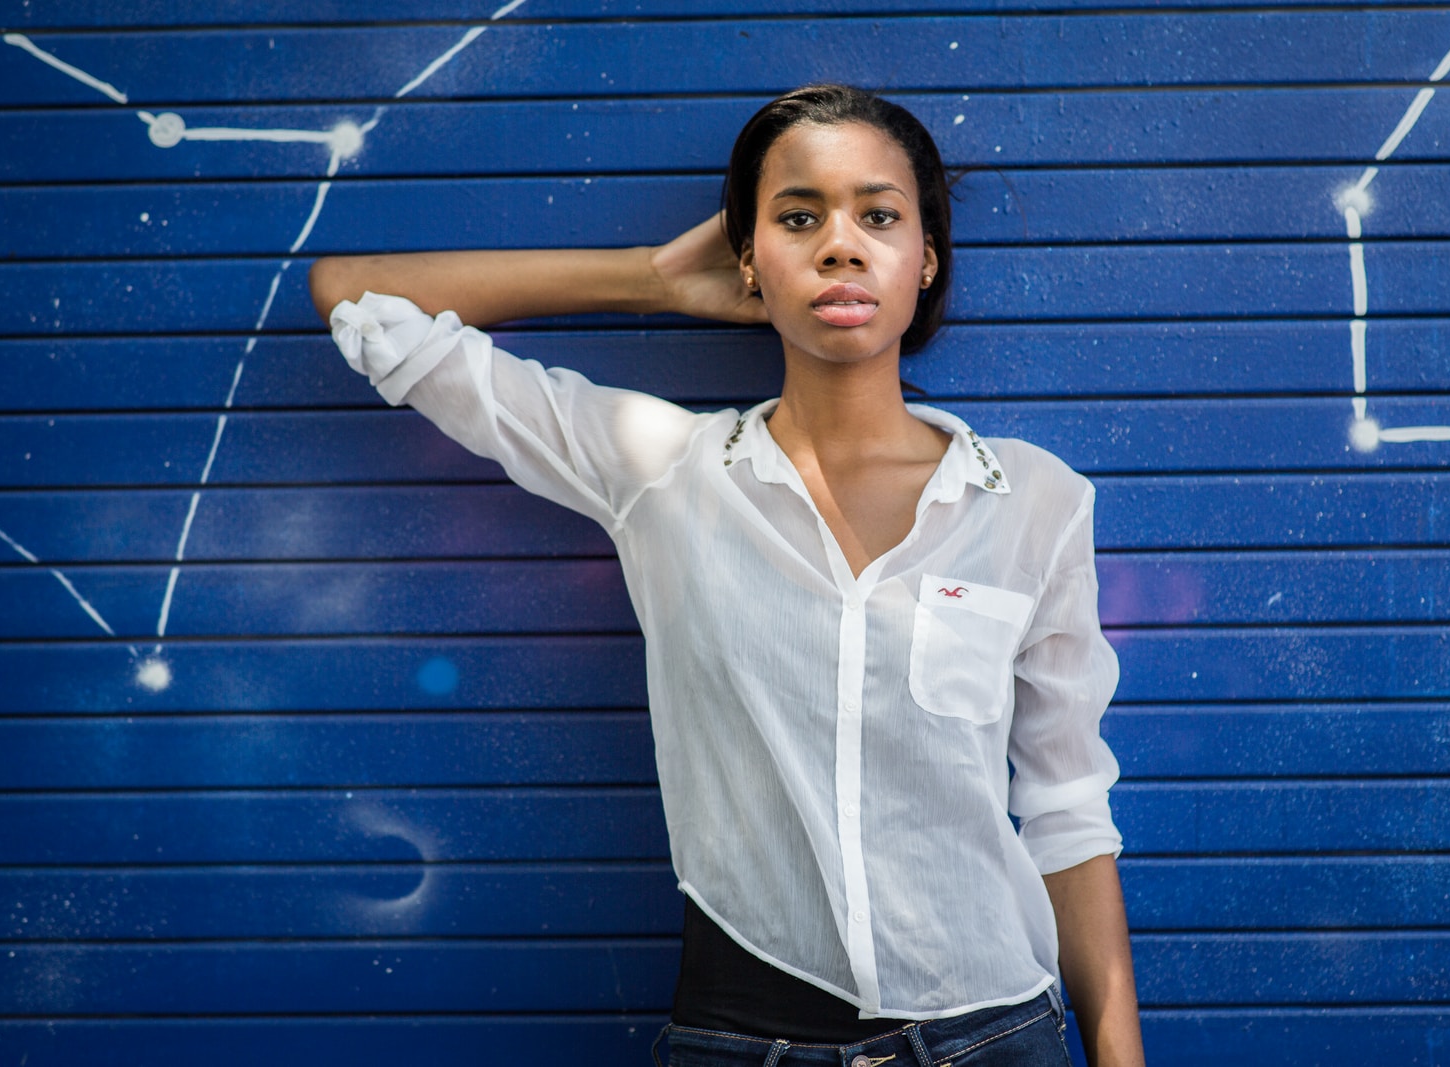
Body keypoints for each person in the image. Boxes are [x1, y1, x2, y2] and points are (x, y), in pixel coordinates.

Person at [310, 83, 1145, 1067]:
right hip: (738, 1045)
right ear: (749, 258)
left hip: (996, 1034)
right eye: (799, 217)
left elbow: (1065, 805)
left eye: (878, 215)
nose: (840, 244)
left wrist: (1117, 1052)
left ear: (927, 259)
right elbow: (353, 292)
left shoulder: (1030, 498)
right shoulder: (659, 468)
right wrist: (652, 279)